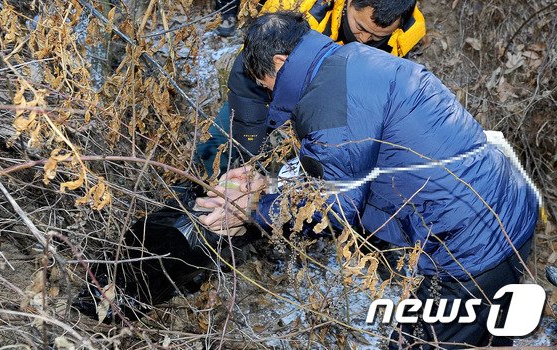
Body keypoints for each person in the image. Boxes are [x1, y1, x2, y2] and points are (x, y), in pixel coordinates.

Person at [196, 12, 540, 348]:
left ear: (281, 61)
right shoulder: (352, 60)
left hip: (471, 250)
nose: (266, 91)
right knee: (488, 339)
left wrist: (253, 208)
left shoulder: (327, 106)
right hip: (509, 212)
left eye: (264, 81)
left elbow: (336, 205)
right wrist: (267, 185)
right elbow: (351, 166)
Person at [197, 0, 426, 175]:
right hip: (263, 84)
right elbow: (250, 69)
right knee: (218, 144)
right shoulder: (298, 5)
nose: (364, 39)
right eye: (360, 27)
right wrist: (249, 149)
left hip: (322, 108)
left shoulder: (406, 33)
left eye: (377, 36)